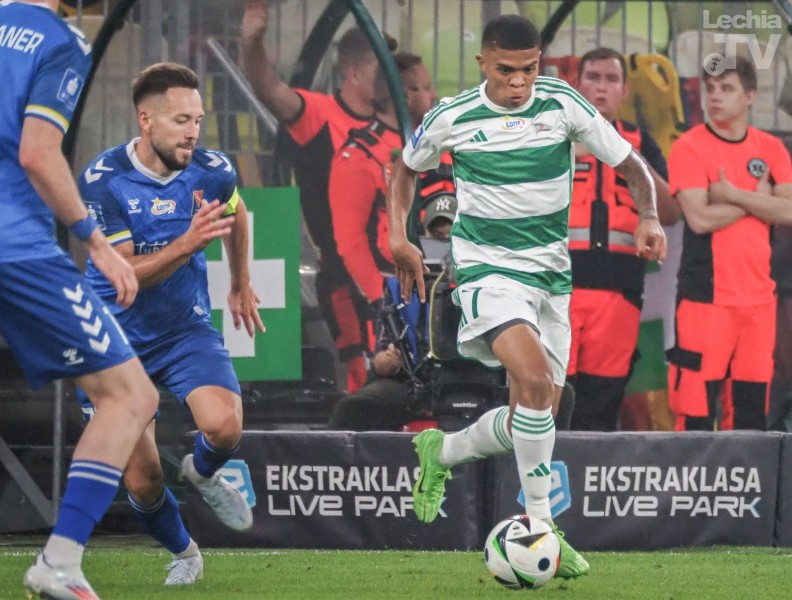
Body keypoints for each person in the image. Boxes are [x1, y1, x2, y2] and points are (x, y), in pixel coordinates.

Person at [387, 15, 666, 579]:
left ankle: (443, 451)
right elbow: (405, 170)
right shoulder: (452, 116)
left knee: (534, 413)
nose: (519, 82)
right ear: (483, 63)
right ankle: (542, 527)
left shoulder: (563, 104)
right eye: (506, 70)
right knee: (535, 383)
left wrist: (649, 216)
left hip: (551, 279)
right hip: (487, 272)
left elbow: (630, 163)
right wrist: (399, 235)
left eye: (530, 69)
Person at [76, 62, 265, 584]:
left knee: (224, 427)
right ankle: (186, 553)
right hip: (113, 339)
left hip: (183, 328)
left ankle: (201, 473)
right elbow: (124, 276)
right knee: (142, 479)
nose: (193, 132)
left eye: (198, 120)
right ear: (146, 120)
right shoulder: (103, 182)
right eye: (181, 120)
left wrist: (239, 282)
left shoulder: (213, 170)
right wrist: (186, 244)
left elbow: (237, 212)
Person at [0, 3, 159, 599]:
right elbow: (38, 153)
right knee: (130, 395)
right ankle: (60, 562)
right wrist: (96, 243)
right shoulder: (59, 41)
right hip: (15, 248)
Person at [242, 0, 380, 393]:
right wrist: (253, 43)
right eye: (381, 70)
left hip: (391, 270)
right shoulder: (320, 114)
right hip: (344, 273)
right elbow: (271, 91)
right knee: (365, 373)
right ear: (353, 73)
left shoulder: (392, 125)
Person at [666, 55, 792, 431]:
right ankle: (692, 475)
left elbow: (789, 211)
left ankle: (747, 474)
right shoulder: (689, 147)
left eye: (726, 88)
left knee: (751, 413)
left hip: (758, 302)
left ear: (749, 96)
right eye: (710, 89)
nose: (715, 97)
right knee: (696, 412)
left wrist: (732, 195)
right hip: (705, 300)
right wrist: (758, 200)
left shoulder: (771, 148)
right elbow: (700, 219)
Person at [567, 47, 679, 431]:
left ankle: (587, 472)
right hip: (558, 290)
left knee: (600, 405)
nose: (601, 88)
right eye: (593, 78)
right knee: (551, 398)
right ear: (577, 85)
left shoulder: (639, 142)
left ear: (624, 90)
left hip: (619, 295)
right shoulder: (554, 137)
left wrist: (627, 157)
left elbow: (671, 212)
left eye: (611, 79)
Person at [328, 194, 457, 432]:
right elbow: (380, 360)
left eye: (451, 237)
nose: (444, 244)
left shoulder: (483, 283)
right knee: (351, 408)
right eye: (437, 236)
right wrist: (389, 360)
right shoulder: (398, 288)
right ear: (423, 235)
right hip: (413, 385)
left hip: (470, 382)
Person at [328, 67, 402, 307]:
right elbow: (350, 241)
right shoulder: (360, 155)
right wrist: (381, 298)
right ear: (399, 96)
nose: (432, 95)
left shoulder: (439, 145)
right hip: (394, 294)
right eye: (419, 88)